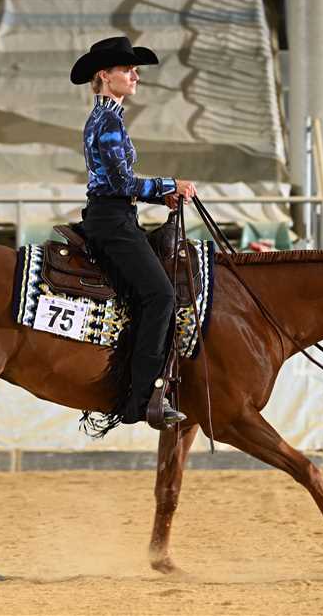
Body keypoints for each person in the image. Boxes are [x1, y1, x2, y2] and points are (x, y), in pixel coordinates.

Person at [70, 36, 197, 426]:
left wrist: (160, 195)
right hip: (113, 221)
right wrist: (169, 185)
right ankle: (143, 399)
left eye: (135, 70)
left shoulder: (107, 117)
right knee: (160, 295)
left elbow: (116, 183)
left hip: (114, 215)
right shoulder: (107, 121)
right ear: (105, 75)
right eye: (127, 69)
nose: (135, 76)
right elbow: (120, 182)